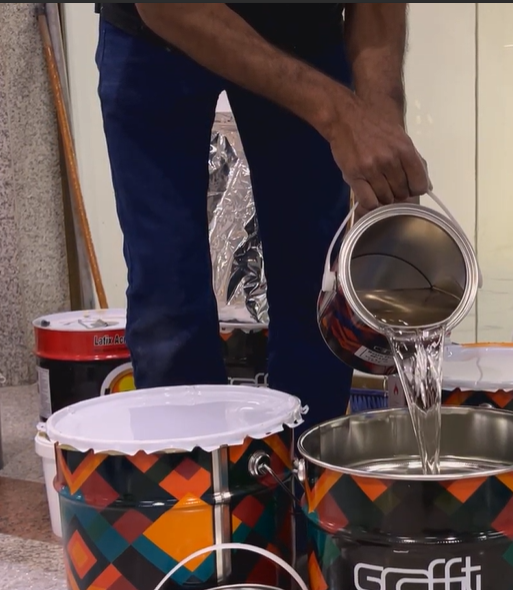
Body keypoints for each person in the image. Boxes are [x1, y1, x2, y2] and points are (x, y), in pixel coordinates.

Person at [95, 3, 430, 427]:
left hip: (304, 28)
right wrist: (339, 114)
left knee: (317, 290)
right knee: (169, 298)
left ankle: (308, 460)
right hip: (159, 32)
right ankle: (188, 462)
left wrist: (380, 128)